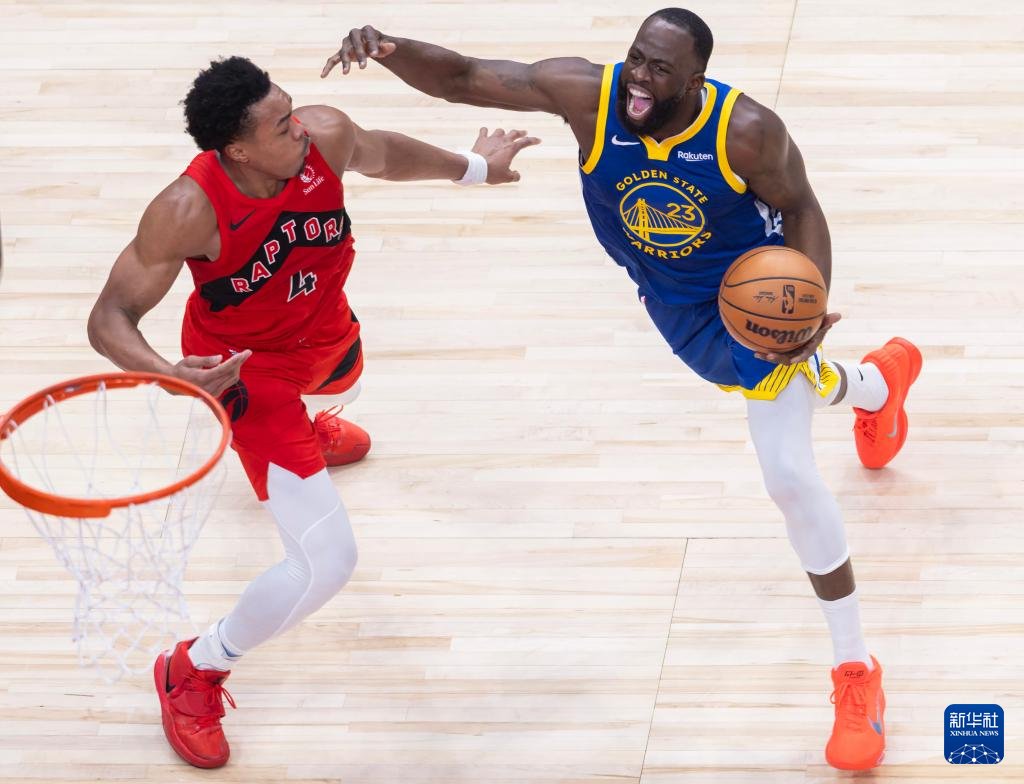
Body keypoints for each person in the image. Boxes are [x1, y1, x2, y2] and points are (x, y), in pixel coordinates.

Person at [325, 8, 922, 771]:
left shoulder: (746, 132)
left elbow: (802, 207)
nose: (639, 77)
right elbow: (465, 77)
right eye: (637, 57)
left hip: (754, 299)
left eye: (660, 69)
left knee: (789, 477)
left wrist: (805, 308)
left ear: (696, 79)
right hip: (671, 301)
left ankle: (856, 671)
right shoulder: (588, 94)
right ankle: (877, 385)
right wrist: (388, 48)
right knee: (785, 392)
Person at [87, 55, 538, 769]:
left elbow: (385, 155)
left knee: (349, 384)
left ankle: (310, 430)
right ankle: (195, 668)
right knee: (328, 561)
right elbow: (109, 316)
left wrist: (476, 168)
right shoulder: (187, 209)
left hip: (324, 331)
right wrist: (171, 374)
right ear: (238, 150)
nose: (300, 127)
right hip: (248, 371)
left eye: (292, 110)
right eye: (280, 125)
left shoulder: (322, 137)